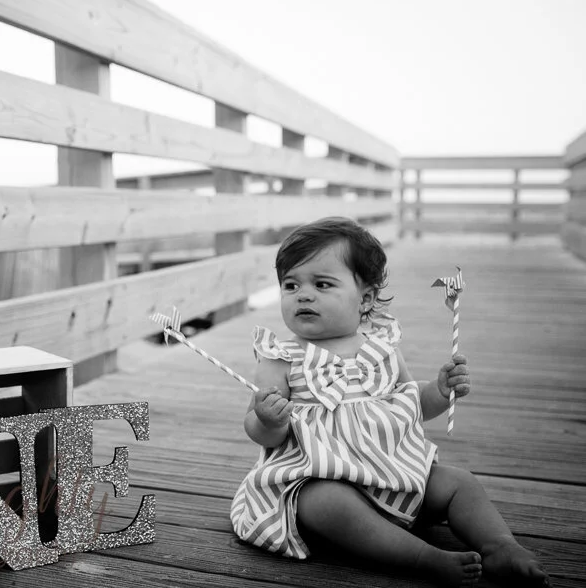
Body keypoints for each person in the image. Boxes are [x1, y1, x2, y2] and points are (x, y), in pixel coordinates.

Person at [230, 217, 550, 587]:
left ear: (364, 298)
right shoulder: (280, 358)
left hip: (397, 473)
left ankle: (499, 544)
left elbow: (412, 404)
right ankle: (423, 557)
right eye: (290, 285)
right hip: (323, 476)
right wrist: (269, 420)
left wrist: (440, 391)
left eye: (322, 284)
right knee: (325, 503)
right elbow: (261, 433)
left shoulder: (381, 348)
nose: (303, 294)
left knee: (459, 483)